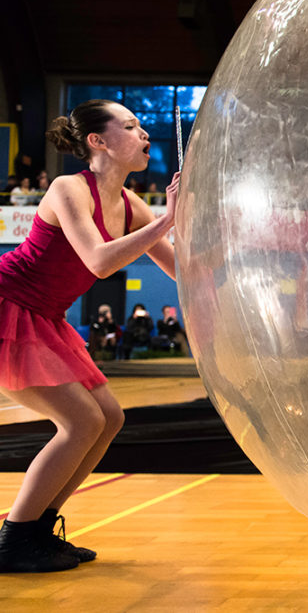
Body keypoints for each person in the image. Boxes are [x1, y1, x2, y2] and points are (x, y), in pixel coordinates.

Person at [0, 99, 181, 573]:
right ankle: (14, 538)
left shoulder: (130, 202)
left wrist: (211, 228)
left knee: (109, 417)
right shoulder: (67, 188)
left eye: (141, 126)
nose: (144, 134)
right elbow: (99, 261)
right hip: (9, 307)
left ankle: (38, 531)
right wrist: (168, 219)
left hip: (45, 316)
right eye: (131, 126)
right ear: (97, 142)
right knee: (80, 422)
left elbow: (182, 269)